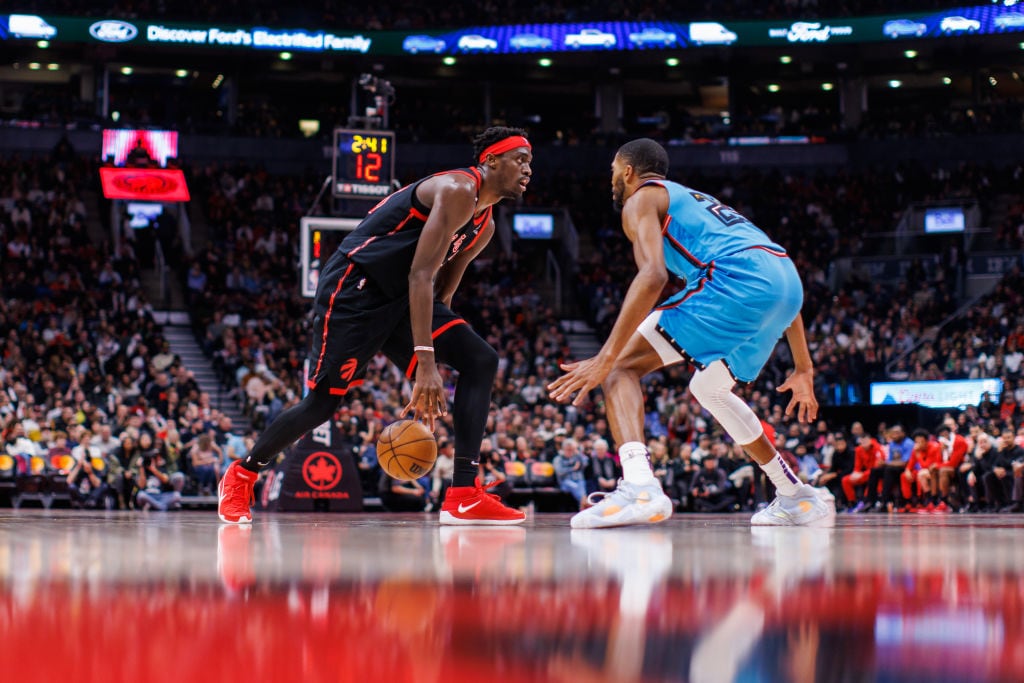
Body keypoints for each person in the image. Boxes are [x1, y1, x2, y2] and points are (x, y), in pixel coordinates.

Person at [218, 127, 533, 525]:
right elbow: (420, 274)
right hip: (356, 289)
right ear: (490, 160)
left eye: (530, 163)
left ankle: (464, 493)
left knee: (480, 359)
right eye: (520, 160)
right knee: (323, 403)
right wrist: (426, 362)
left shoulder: (483, 226)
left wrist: (431, 352)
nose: (528, 170)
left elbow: (439, 297)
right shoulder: (456, 189)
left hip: (402, 298)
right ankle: (242, 473)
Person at [548, 138, 832, 528]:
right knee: (709, 390)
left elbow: (653, 275)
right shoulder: (695, 199)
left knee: (619, 371)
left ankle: (640, 487)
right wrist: (803, 367)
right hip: (784, 281)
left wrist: (606, 357)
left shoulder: (641, 200)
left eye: (613, 170)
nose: (611, 178)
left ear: (628, 171)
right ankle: (795, 495)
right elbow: (776, 285)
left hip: (737, 283)